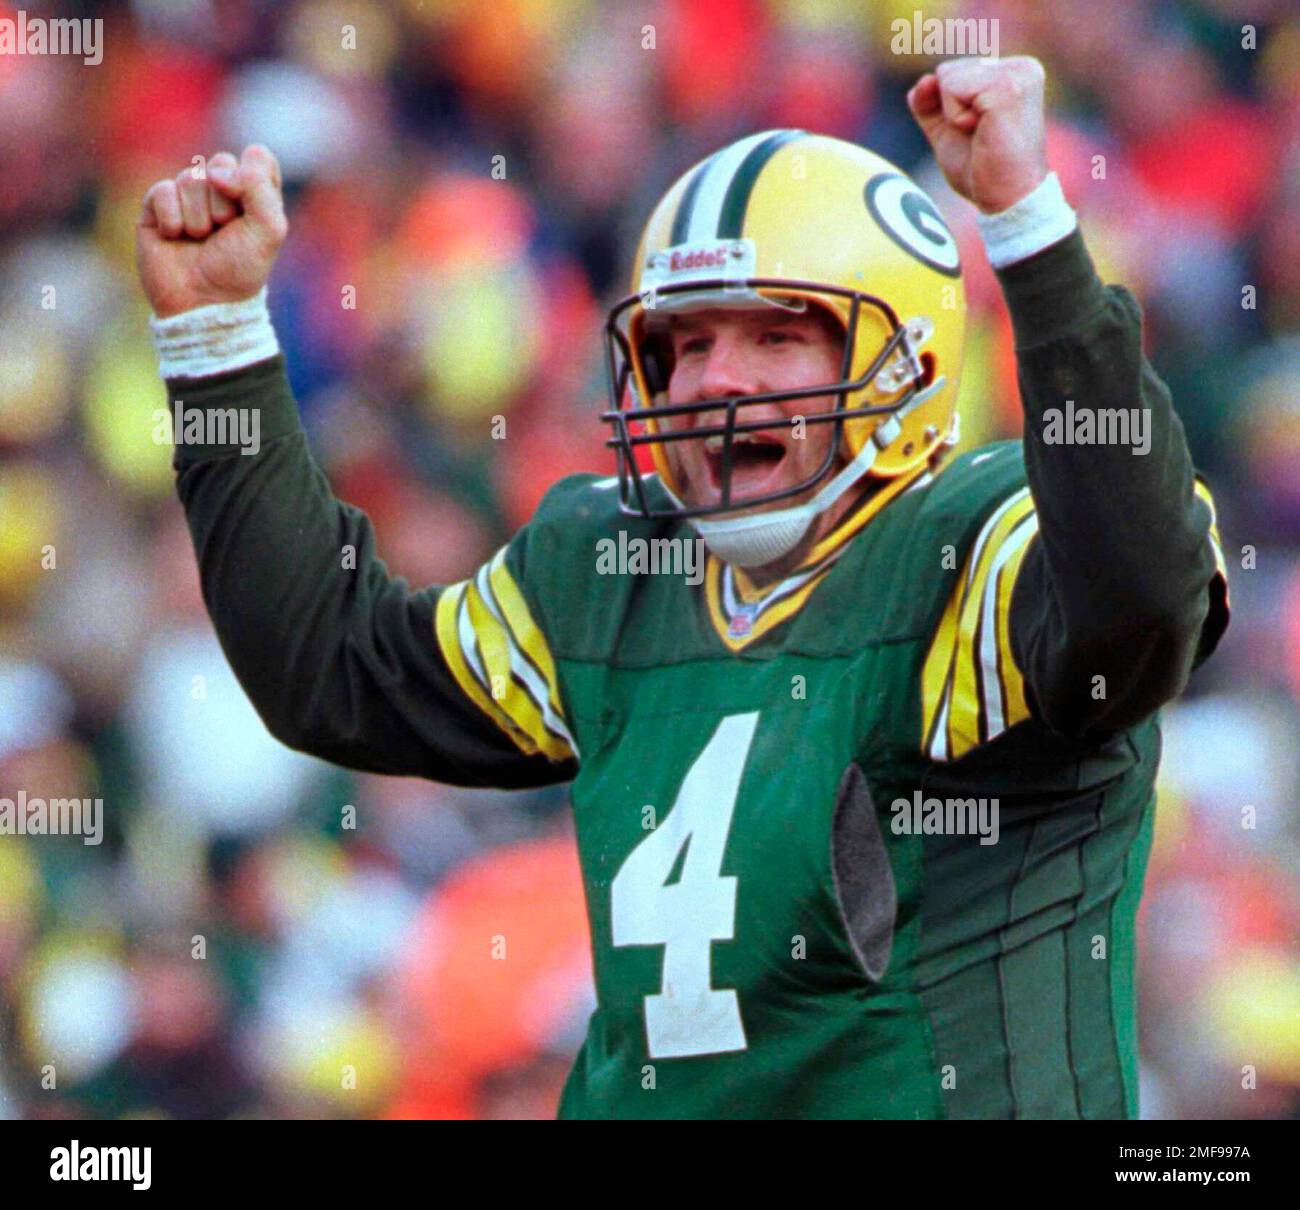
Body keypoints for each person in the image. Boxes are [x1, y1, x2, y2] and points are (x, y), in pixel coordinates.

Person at [136, 56, 1229, 1119]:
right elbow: (332, 669)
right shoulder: (610, 564)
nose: (717, 380)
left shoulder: (966, 542)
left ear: (912, 368)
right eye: (684, 342)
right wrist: (216, 338)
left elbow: (1136, 599)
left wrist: (1033, 235)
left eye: (776, 335)